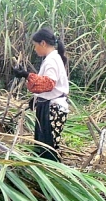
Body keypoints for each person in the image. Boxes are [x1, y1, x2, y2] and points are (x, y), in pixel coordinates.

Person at [12, 28, 69, 162]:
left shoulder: (52, 60)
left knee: (48, 147)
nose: (35, 49)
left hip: (52, 108)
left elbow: (48, 84)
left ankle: (50, 175)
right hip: (50, 105)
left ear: (43, 43)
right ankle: (46, 173)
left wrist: (26, 75)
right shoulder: (52, 58)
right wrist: (36, 99)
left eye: (35, 45)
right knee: (45, 144)